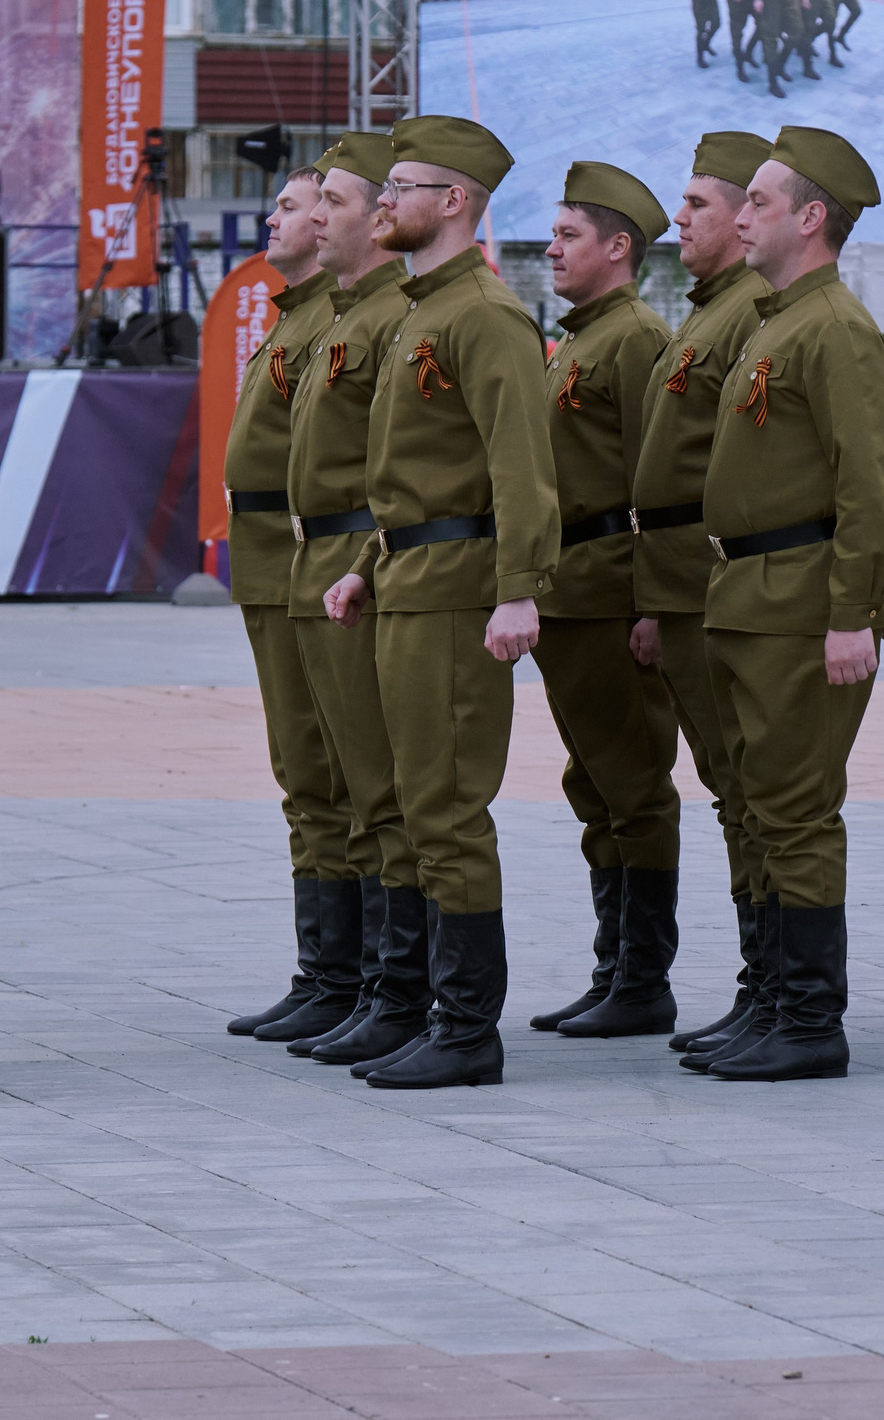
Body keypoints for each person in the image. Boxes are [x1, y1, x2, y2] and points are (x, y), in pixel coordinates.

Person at [324, 116, 560, 1090]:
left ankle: (466, 1029)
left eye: (404, 186)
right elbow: (416, 472)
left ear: (453, 200)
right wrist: (370, 563)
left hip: (463, 592)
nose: (385, 199)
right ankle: (421, 1006)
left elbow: (519, 465)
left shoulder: (484, 314)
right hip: (410, 581)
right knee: (417, 802)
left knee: (449, 807)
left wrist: (519, 591)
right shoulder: (422, 308)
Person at [687, 126, 884, 1082]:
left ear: (811, 219)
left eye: (760, 202)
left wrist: (852, 612)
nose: (739, 215)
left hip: (800, 601)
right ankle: (772, 1000)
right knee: (766, 807)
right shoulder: (777, 321)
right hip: (747, 594)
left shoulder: (835, 327)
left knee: (798, 811)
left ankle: (810, 1021)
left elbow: (869, 485)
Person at [631, 133, 776, 1058]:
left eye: (697, 208)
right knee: (732, 791)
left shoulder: (751, 313)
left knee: (753, 791)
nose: (677, 221)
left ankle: (777, 991)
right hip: (683, 580)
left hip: (720, 578)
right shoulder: (708, 314)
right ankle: (761, 986)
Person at [529, 163, 683, 1039]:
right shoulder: (583, 338)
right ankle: (614, 966)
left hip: (610, 590)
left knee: (633, 787)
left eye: (567, 237)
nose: (552, 251)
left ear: (617, 248)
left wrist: (649, 603)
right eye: (554, 236)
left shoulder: (634, 341)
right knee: (594, 785)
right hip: (571, 592)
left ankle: (643, 978)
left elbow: (649, 484)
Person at [286, 133, 423, 1069]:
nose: (312, 215)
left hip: (366, 553)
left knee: (383, 793)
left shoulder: (387, 317)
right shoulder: (341, 316)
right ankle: (354, 980)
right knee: (331, 785)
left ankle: (395, 989)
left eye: (332, 200)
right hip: (319, 555)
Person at [220, 168, 358, 1047]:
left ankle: (350, 976)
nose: (274, 218)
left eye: (293, 205)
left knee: (330, 774)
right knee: (302, 777)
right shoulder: (296, 318)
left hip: (309, 560)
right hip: (272, 563)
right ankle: (325, 971)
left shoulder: (329, 323)